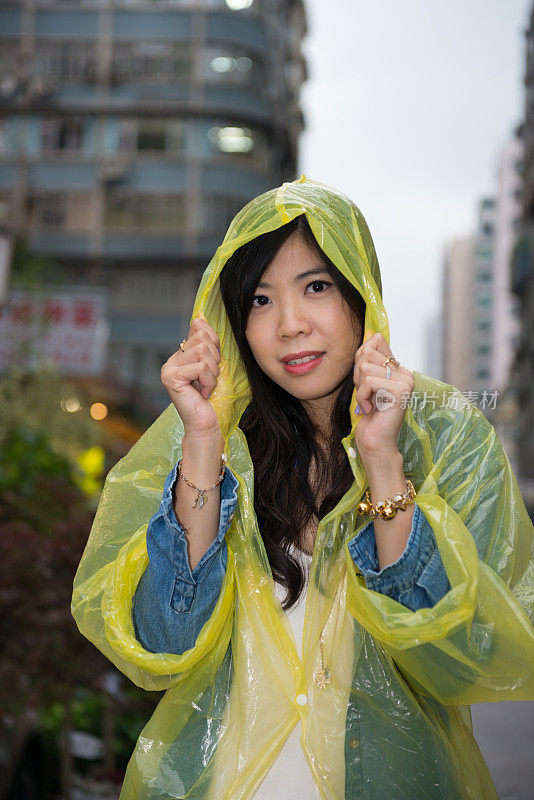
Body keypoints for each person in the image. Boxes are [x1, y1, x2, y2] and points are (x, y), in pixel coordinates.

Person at [72, 176, 534, 800]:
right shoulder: (206, 436)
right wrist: (204, 444)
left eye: (316, 287)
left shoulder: (444, 434)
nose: (289, 325)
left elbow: (458, 651)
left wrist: (381, 459)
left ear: (358, 294)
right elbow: (164, 639)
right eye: (260, 301)